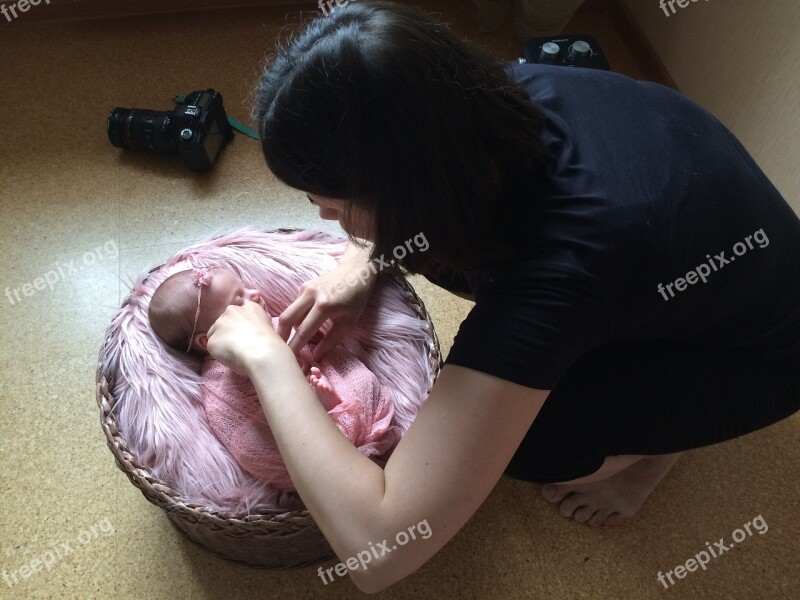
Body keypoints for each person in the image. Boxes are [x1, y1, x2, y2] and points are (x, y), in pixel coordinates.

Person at [205, 2, 800, 592]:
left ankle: (658, 451)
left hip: (761, 357)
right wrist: (364, 259)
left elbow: (379, 549)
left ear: (410, 188)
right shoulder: (474, 97)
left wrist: (267, 360)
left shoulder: (561, 269)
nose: (326, 215)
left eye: (330, 200)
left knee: (534, 447)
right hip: (686, 258)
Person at [148, 266, 400, 492]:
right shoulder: (220, 378)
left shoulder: (273, 323)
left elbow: (311, 342)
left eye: (245, 287)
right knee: (263, 444)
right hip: (281, 430)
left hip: (314, 387)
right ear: (208, 339)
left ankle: (334, 410)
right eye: (240, 300)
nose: (255, 293)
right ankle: (332, 414)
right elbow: (251, 403)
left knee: (357, 380)